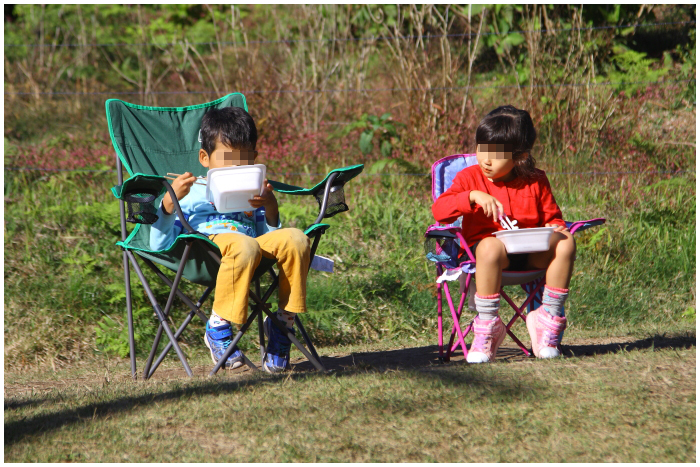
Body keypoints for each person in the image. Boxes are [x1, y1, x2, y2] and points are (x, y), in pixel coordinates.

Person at [150, 106, 310, 373]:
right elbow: (159, 244)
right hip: (207, 250)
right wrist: (167, 205)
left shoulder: (253, 190)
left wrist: (270, 208)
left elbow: (265, 239)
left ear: (255, 159)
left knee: (297, 239)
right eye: (227, 160)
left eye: (243, 161)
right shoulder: (189, 191)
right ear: (205, 157)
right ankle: (217, 327)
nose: (236, 168)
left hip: (250, 249)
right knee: (243, 244)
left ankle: (283, 325)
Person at [432, 105, 576, 363]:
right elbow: (440, 211)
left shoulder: (535, 179)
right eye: (481, 149)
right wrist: (471, 197)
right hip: (489, 261)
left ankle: (547, 319)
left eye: (496, 155)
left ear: (519, 156)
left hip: (532, 255)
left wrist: (556, 227)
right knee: (490, 246)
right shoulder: (469, 178)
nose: (486, 160)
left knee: (565, 241)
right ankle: (487, 327)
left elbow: (552, 216)